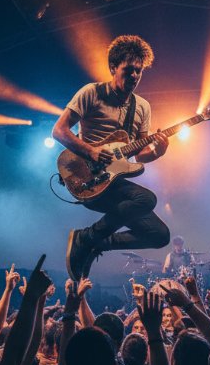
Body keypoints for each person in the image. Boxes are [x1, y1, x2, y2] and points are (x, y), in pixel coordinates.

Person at [54, 35, 171, 281]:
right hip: (89, 178)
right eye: (129, 70)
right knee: (146, 198)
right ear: (112, 68)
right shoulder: (91, 92)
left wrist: (158, 152)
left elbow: (138, 155)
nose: (135, 76)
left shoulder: (142, 107)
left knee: (159, 236)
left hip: (115, 180)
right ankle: (86, 237)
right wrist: (91, 151)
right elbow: (59, 130)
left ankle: (95, 242)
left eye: (139, 71)